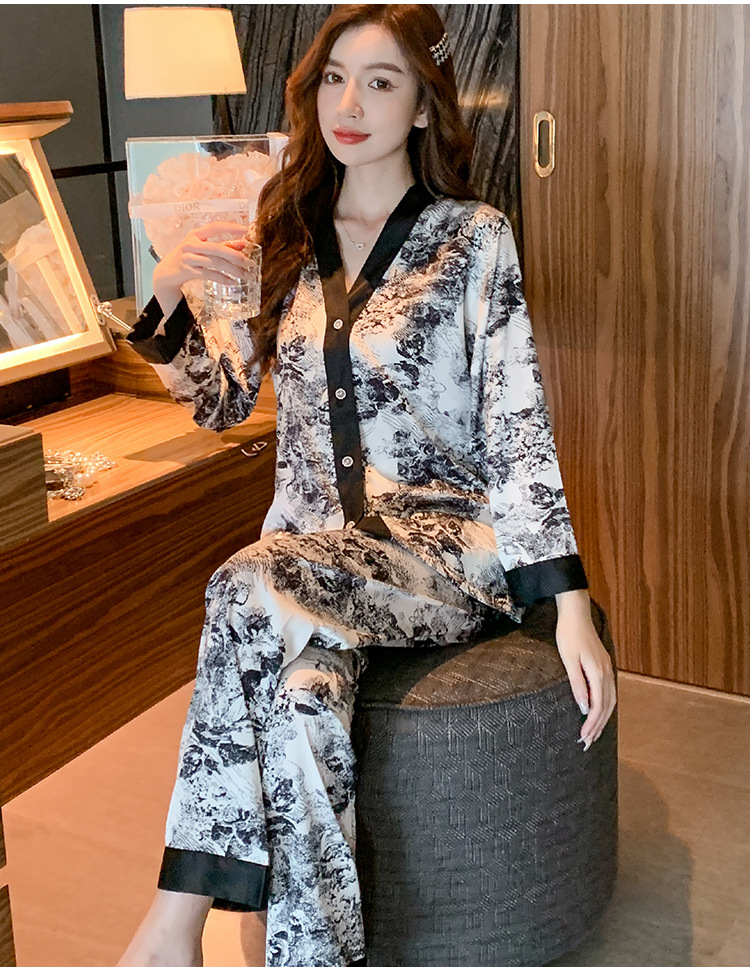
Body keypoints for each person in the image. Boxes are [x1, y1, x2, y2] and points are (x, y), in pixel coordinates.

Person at [118, 4, 616, 967]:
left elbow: (517, 422)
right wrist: (169, 290)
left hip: (442, 551)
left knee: (239, 582)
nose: (350, 104)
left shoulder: (473, 239)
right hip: (314, 560)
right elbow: (222, 402)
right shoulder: (286, 233)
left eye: (381, 83)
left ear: (424, 107)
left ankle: (173, 924)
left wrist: (567, 603)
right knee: (301, 705)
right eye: (335, 79)